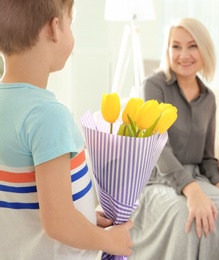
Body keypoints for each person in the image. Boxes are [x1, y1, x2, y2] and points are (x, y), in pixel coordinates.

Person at [0, 1, 133, 259]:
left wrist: (82, 218)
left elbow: (33, 199)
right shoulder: (48, 115)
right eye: (71, 23)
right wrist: (111, 241)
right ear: (55, 28)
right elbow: (59, 221)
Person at [129, 18, 219, 260]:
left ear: (204, 50)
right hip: (156, 179)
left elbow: (208, 157)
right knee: (183, 211)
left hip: (194, 176)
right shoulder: (153, 85)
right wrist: (191, 190)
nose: (183, 54)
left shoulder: (208, 98)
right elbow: (157, 146)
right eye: (175, 46)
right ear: (167, 50)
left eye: (192, 46)